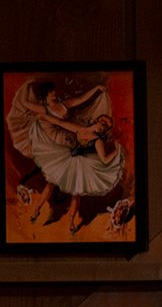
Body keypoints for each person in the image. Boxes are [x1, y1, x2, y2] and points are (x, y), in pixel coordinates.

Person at [6, 79, 122, 233]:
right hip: (64, 154)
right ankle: (36, 211)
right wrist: (44, 117)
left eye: (104, 126)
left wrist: (117, 152)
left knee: (76, 194)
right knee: (51, 183)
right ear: (96, 121)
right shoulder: (79, 129)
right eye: (102, 123)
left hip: (80, 163)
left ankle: (71, 223)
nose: (102, 127)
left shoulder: (96, 140)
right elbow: (59, 123)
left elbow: (105, 159)